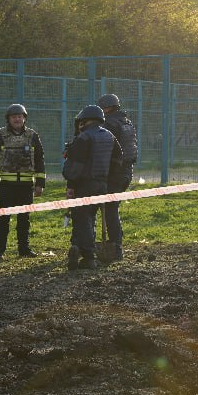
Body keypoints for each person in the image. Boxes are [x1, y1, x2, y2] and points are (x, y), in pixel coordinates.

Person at [0, 103, 46, 261]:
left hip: (26, 185)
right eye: (14, 116)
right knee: (3, 219)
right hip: (6, 185)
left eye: (20, 116)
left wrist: (40, 184)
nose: (17, 119)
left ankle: (24, 249)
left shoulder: (32, 135)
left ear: (24, 118)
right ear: (8, 119)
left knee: (24, 219)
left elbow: (39, 160)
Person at [63, 104, 116, 271]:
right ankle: (77, 247)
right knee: (88, 218)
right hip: (102, 184)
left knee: (82, 218)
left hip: (85, 185)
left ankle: (89, 256)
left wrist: (70, 180)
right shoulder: (109, 136)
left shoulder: (84, 138)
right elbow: (118, 160)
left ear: (84, 121)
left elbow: (76, 166)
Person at [98, 93, 137, 261]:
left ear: (105, 108)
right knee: (112, 209)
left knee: (110, 210)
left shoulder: (109, 124)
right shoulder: (127, 122)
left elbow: (107, 151)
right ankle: (117, 243)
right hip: (127, 172)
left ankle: (115, 246)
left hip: (114, 172)